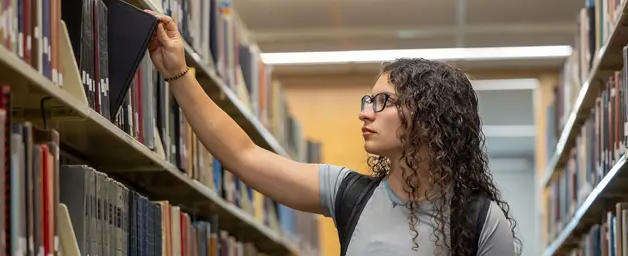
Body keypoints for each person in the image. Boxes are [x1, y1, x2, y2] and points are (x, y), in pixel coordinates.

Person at [144, 9, 520, 256]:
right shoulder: (349, 195)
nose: (364, 114)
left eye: (381, 102)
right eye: (366, 100)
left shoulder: (479, 221)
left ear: (428, 118)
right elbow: (244, 156)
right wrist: (178, 74)